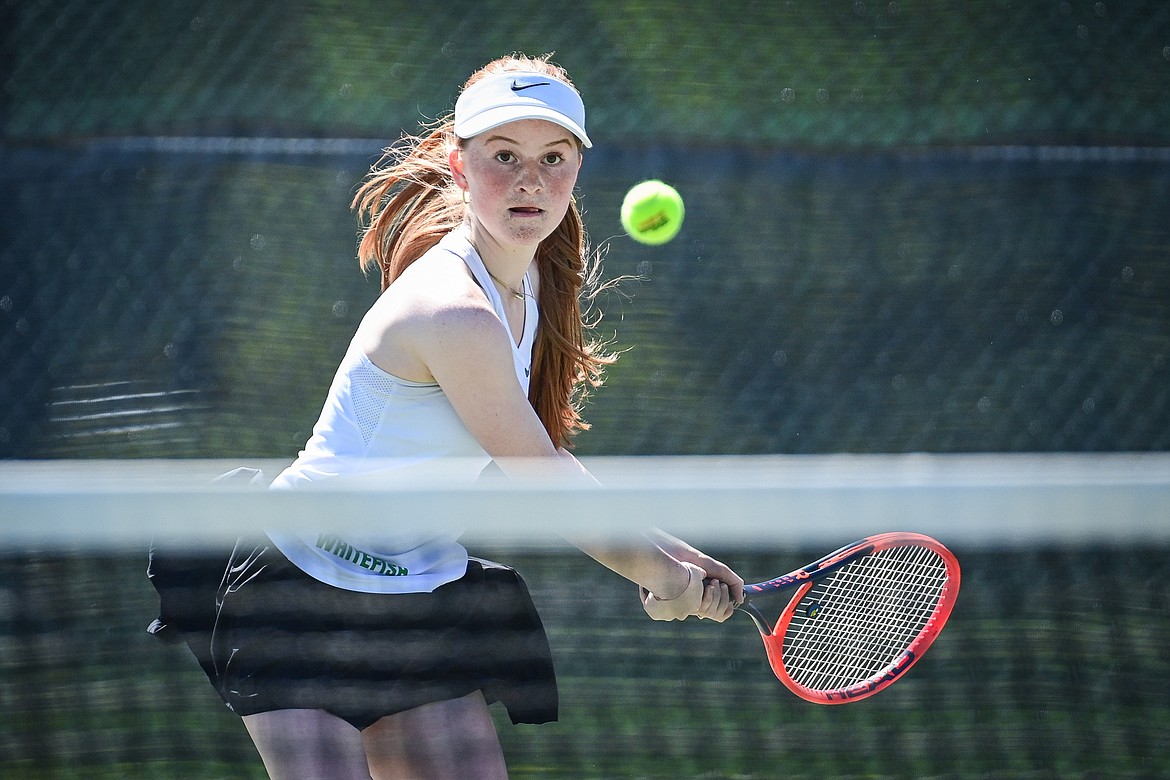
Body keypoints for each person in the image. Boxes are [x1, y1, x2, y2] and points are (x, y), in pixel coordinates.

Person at [149, 52, 744, 780]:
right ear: (461, 169)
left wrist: (676, 559)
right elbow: (539, 479)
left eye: (553, 157)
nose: (531, 178)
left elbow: (545, 454)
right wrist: (657, 573)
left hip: (416, 604)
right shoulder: (453, 310)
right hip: (296, 597)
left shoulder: (528, 288)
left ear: (577, 170)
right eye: (504, 155)